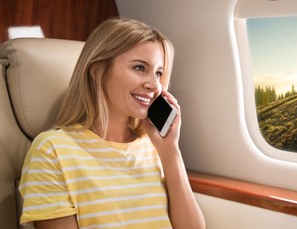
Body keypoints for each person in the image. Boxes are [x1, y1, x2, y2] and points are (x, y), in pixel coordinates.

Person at [19, 18, 206, 229]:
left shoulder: (156, 147)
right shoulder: (52, 150)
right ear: (98, 70)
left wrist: (170, 150)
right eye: (139, 67)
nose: (154, 85)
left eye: (159, 73)